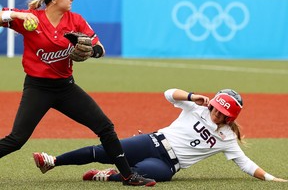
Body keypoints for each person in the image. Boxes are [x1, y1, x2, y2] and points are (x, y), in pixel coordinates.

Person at [0, 0, 156, 187]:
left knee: (105, 127)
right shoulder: (31, 19)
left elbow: (99, 47)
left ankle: (128, 176)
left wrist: (93, 51)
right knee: (17, 140)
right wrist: (18, 14)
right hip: (37, 88)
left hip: (65, 88)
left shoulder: (75, 20)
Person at [33, 88, 287, 183]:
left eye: (223, 114)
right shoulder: (197, 106)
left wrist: (269, 177)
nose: (216, 115)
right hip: (152, 141)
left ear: (231, 118)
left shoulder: (227, 138)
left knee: (147, 177)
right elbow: (168, 94)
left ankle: (109, 175)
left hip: (168, 164)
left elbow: (244, 162)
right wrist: (190, 96)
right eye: (216, 109)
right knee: (103, 151)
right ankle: (52, 161)